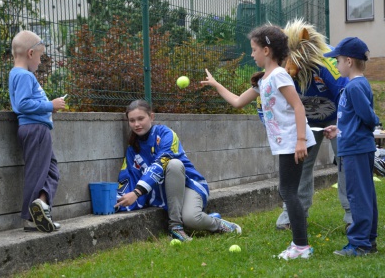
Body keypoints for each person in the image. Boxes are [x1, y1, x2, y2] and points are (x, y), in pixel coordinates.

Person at [201, 24, 316, 260]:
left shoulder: (279, 75)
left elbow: (298, 106)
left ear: (266, 50)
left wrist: (301, 141)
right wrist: (215, 84)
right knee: (288, 191)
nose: (251, 54)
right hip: (287, 142)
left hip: (294, 141)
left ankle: (301, 247)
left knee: (288, 191)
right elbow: (237, 102)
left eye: (253, 50)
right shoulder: (264, 80)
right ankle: (300, 245)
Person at [114, 99, 241, 242]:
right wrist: (117, 201)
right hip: (164, 195)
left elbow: (161, 163)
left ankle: (210, 224)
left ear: (151, 117)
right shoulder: (132, 149)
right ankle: (185, 224)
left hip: (189, 185)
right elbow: (128, 176)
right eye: (132, 121)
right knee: (191, 220)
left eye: (140, 119)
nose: (136, 124)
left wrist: (137, 193)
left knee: (174, 166)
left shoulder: (166, 134)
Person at [276, 18, 352, 231]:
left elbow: (347, 95)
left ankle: (353, 217)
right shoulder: (280, 67)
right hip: (306, 119)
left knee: (346, 160)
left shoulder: (327, 61)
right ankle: (292, 215)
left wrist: (340, 126)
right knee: (299, 162)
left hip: (339, 117)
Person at [323, 37, 379, 256]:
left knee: (357, 196)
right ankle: (368, 241)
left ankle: (360, 244)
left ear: (348, 61)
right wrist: (338, 130)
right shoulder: (355, 85)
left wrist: (373, 121)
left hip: (356, 149)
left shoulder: (355, 86)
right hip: (354, 146)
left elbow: (367, 116)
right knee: (363, 194)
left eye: (336, 61)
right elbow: (354, 118)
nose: (335, 66)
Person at [8, 30, 66, 232]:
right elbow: (23, 105)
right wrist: (50, 105)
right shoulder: (24, 76)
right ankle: (31, 216)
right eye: (40, 57)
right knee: (37, 172)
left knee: (52, 172)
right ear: (31, 53)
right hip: (36, 130)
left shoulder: (18, 75)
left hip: (36, 128)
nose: (40, 62)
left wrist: (48, 110)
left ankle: (40, 206)